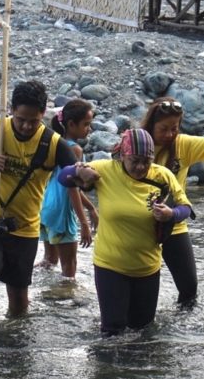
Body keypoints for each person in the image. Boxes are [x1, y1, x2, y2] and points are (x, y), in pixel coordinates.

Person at [0, 80, 77, 316]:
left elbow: (74, 172)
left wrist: (85, 177)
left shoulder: (52, 143)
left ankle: (14, 333)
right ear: (11, 109)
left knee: (19, 299)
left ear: (43, 113)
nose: (27, 126)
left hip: (25, 224)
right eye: (21, 119)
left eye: (34, 121)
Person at [58, 128, 193, 336]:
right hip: (110, 265)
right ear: (122, 156)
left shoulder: (162, 175)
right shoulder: (105, 170)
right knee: (112, 331)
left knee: (142, 332)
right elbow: (63, 177)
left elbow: (186, 208)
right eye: (134, 161)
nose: (140, 167)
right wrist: (78, 171)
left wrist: (171, 214)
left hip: (147, 267)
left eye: (146, 161)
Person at [140, 97, 204, 306]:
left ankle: (181, 324)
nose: (169, 134)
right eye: (163, 129)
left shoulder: (182, 145)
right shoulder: (138, 144)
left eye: (174, 128)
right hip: (140, 225)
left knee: (189, 288)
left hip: (174, 224)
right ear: (152, 124)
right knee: (142, 287)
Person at [38, 98, 98, 278]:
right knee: (69, 270)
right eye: (86, 124)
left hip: (46, 207)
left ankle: (33, 285)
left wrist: (91, 208)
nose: (89, 129)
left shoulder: (55, 144)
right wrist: (84, 223)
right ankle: (64, 298)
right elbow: (72, 188)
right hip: (61, 212)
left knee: (49, 262)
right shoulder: (75, 149)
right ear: (71, 124)